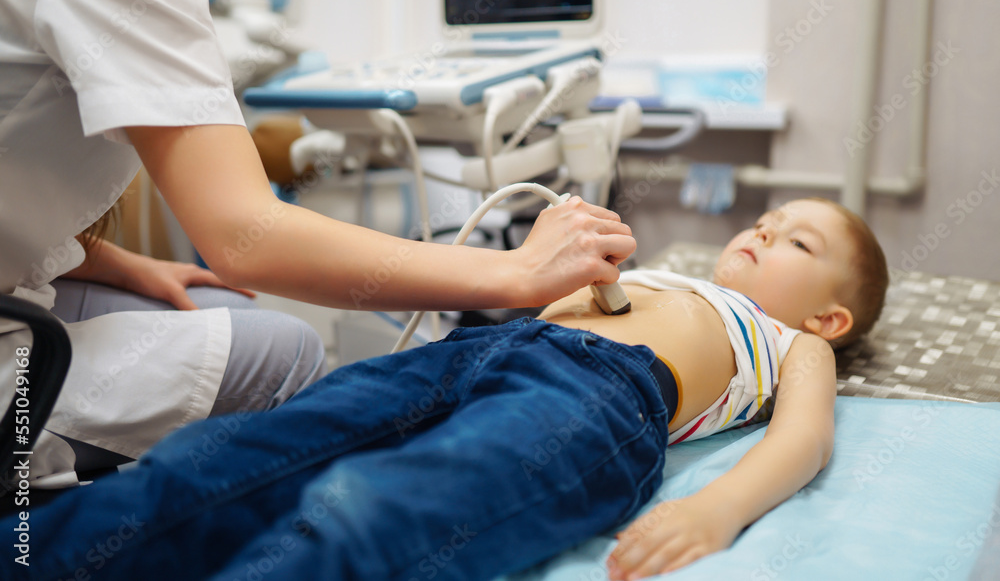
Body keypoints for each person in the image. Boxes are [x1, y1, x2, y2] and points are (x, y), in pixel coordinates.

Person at [0, 0, 634, 488]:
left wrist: (120, 264)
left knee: (221, 306)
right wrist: (515, 271)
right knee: (287, 351)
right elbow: (242, 235)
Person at [0, 197, 889, 580]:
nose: (762, 234)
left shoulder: (790, 343)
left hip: (598, 399)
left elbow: (804, 439)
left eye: (797, 242)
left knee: (375, 507)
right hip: (475, 351)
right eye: (764, 222)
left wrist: (716, 510)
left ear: (830, 316)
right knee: (221, 462)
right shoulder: (668, 275)